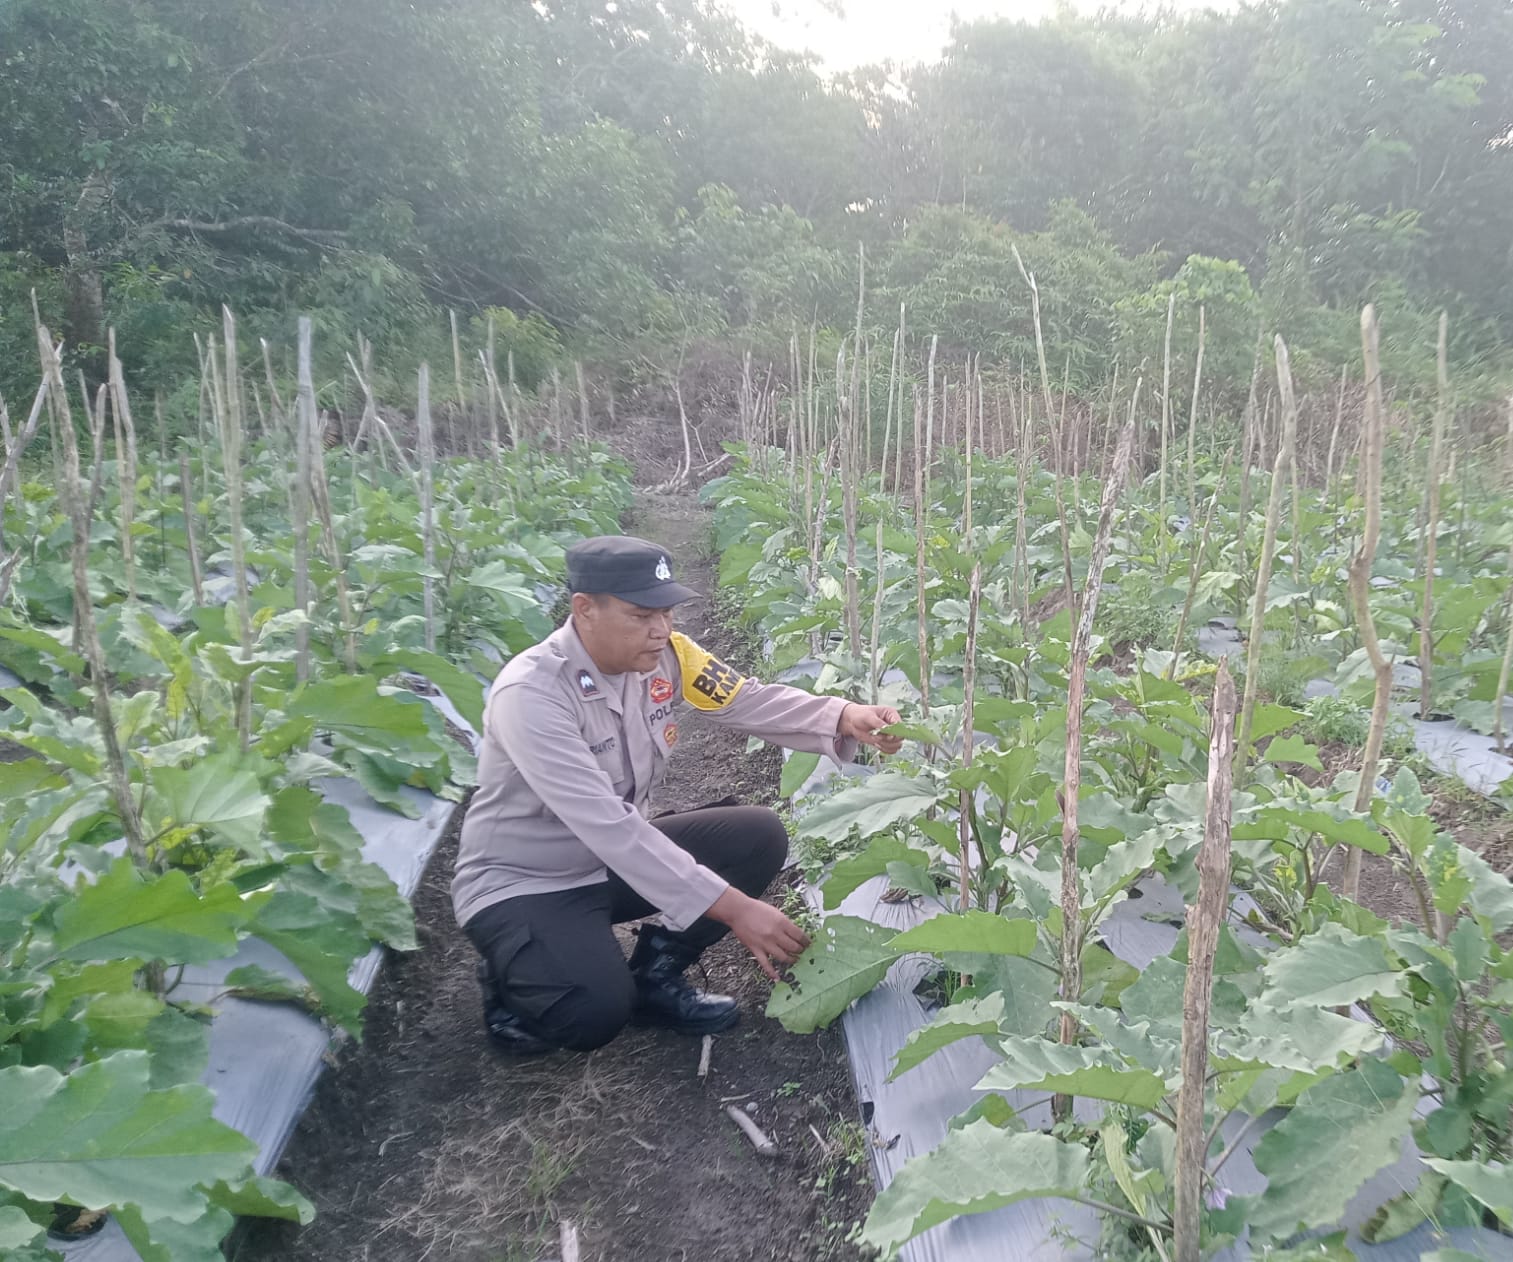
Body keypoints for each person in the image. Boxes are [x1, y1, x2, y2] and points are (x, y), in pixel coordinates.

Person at [452, 534, 903, 1055]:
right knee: (591, 1013)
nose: (660, 629)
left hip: (609, 863)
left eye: (667, 613)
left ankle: (654, 978)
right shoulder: (531, 694)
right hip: (527, 879)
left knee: (757, 836)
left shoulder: (668, 657)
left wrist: (845, 715)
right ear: (584, 609)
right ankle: (513, 979)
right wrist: (734, 908)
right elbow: (605, 823)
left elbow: (746, 701)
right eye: (642, 614)